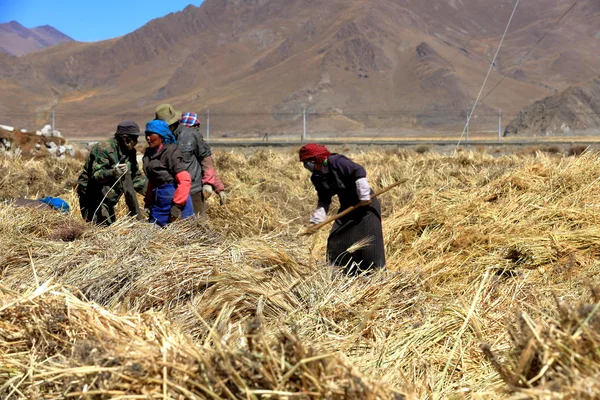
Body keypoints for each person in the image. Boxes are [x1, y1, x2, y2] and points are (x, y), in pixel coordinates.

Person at [299, 143, 385, 275]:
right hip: (347, 205)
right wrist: (317, 221)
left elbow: (358, 171)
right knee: (336, 237)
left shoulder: (337, 162)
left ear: (316, 158)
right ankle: (343, 271)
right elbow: (324, 199)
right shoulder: (317, 177)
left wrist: (363, 194)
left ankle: (375, 273)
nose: (307, 166)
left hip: (366, 204)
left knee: (370, 240)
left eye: (307, 161)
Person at [155, 104, 226, 214]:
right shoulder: (159, 139)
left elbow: (206, 161)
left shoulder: (192, 136)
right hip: (170, 190)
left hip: (193, 190)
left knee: (198, 224)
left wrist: (212, 185)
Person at [76, 121, 147, 225]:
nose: (136, 142)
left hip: (109, 195)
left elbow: (135, 177)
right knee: (98, 226)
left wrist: (152, 192)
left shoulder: (130, 152)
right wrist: (113, 172)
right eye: (134, 139)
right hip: (92, 195)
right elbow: (96, 176)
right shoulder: (103, 148)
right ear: (125, 138)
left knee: (109, 225)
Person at [143, 119, 194, 226]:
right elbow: (152, 180)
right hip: (158, 201)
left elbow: (185, 180)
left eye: (151, 134)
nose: (148, 138)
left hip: (173, 199)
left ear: (161, 136)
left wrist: (177, 206)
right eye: (146, 134)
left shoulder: (171, 151)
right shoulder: (148, 154)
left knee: (180, 234)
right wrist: (148, 202)